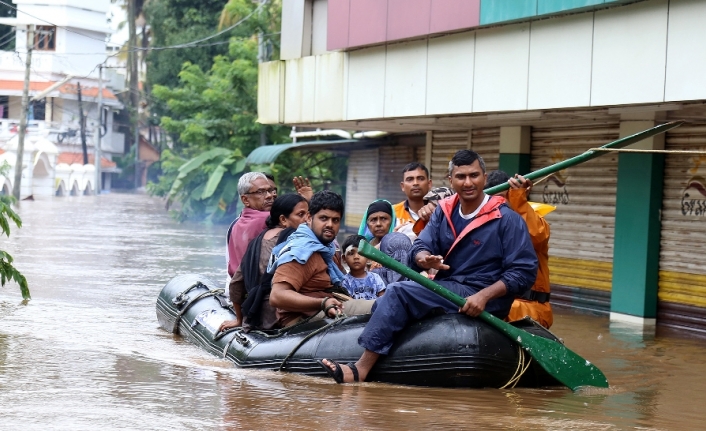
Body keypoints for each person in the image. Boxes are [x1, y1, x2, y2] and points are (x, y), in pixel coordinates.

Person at [317, 150, 538, 383]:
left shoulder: (506, 218)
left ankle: (360, 369)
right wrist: (423, 258)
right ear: (451, 180)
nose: (468, 182)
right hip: (449, 289)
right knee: (384, 302)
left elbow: (523, 272)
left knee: (398, 291)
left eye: (474, 175)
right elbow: (421, 244)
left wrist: (484, 295)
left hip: (485, 295)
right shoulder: (444, 211)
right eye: (461, 177)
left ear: (484, 177)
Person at [269, 191, 375, 328]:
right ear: (309, 217)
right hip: (304, 319)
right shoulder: (301, 251)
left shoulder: (326, 248)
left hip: (329, 307)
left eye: (335, 220)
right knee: (385, 305)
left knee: (394, 297)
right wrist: (322, 302)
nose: (330, 224)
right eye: (323, 218)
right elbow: (277, 296)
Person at [219, 194, 310, 331]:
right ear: (283, 219)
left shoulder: (256, 241)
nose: (307, 220)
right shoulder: (296, 241)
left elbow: (236, 284)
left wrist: (239, 320)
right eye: (301, 215)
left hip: (258, 315)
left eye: (308, 215)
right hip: (285, 313)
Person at [486, 170, 553, 329]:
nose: (499, 206)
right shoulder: (483, 220)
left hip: (528, 307)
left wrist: (518, 199)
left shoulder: (532, 218)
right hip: (494, 304)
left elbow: (536, 235)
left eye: (503, 199)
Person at [226, 172, 277, 278]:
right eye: (260, 192)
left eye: (270, 190)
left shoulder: (236, 223)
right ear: (245, 199)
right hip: (259, 287)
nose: (269, 196)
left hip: (239, 285)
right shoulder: (269, 219)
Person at [358, 199, 412, 284]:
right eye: (373, 220)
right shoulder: (364, 247)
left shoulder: (400, 245)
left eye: (384, 219)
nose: (378, 224)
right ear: (367, 224)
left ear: (392, 221)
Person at [392, 162, 432, 239]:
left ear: (429, 184)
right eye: (410, 179)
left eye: (420, 178)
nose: (415, 183)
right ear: (402, 186)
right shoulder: (392, 212)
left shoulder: (439, 211)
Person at [341, 234, 386, 300]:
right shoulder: (345, 282)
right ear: (344, 258)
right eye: (351, 253)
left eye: (361, 253)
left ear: (368, 257)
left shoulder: (375, 278)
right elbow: (348, 304)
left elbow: (383, 300)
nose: (356, 257)